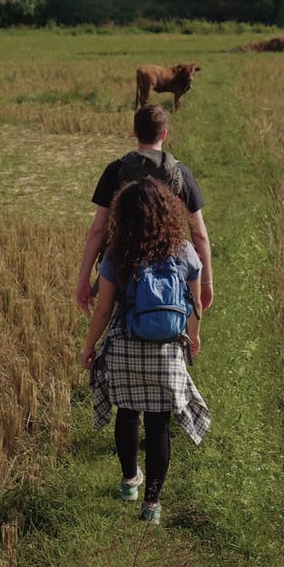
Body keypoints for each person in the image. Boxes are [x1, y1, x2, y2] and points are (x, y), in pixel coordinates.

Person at [81, 178, 211, 524]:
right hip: (165, 353)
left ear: (123, 215)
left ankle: (128, 481)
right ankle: (151, 505)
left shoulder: (118, 253)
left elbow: (104, 310)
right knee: (158, 427)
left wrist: (90, 346)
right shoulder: (183, 250)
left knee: (127, 413)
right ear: (168, 212)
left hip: (125, 349)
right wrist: (192, 338)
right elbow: (195, 303)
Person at [76, 104, 213, 314]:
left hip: (124, 264)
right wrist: (206, 282)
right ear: (164, 134)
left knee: (116, 318)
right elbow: (199, 234)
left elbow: (98, 229)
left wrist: (83, 278)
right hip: (172, 267)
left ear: (134, 132)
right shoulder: (180, 173)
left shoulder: (116, 171)